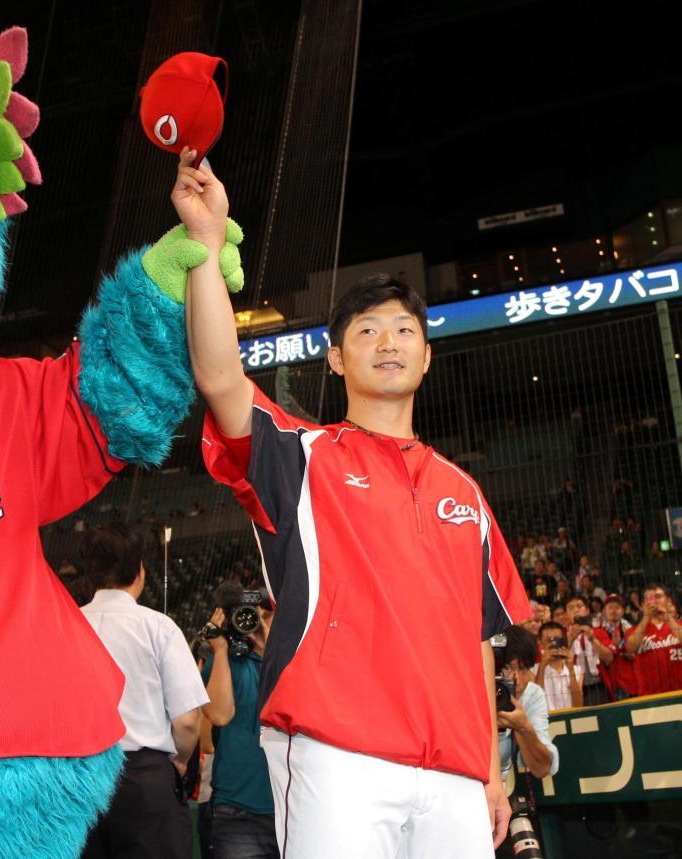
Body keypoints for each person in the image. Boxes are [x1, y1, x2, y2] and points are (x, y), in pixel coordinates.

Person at [172, 148, 531, 856]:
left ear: (427, 355)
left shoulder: (466, 493)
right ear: (335, 358)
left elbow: (481, 639)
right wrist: (206, 250)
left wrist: (491, 771)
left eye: (404, 330)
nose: (388, 342)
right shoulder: (298, 456)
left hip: (458, 773)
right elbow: (219, 376)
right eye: (365, 331)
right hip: (338, 755)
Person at [81, 523, 210, 858]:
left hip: (80, 781)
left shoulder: (65, 627)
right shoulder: (158, 627)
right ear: (140, 572)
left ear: (91, 574)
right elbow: (187, 722)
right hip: (145, 778)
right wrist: (179, 761)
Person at [201, 592, 278, 859]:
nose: (257, 623)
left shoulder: (290, 664)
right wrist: (220, 650)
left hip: (289, 807)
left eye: (266, 616)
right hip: (237, 809)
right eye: (254, 615)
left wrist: (272, 654)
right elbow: (219, 715)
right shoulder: (224, 663)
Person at [497, 626, 559, 781]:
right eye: (507, 668)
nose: (515, 679)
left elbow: (542, 768)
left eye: (524, 669)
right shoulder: (474, 691)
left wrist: (523, 727)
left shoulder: (533, 695)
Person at [625, 585, 682, 696]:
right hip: (649, 698)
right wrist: (646, 617)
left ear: (668, 600)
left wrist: (667, 618)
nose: (655, 601)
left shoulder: (678, 626)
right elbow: (630, 648)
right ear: (642, 606)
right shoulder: (634, 630)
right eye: (650, 598)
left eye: (658, 596)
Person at [564, 596, 610, 706]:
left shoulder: (599, 632)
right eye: (571, 608)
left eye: (579, 606)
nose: (575, 610)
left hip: (598, 686)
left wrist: (592, 639)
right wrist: (569, 642)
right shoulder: (563, 637)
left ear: (587, 610)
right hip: (573, 689)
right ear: (566, 615)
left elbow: (609, 658)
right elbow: (559, 665)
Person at [593, 595, 637, 701]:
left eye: (617, 607)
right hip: (612, 683)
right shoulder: (598, 632)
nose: (614, 611)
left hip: (633, 682)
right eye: (610, 607)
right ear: (604, 611)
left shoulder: (631, 630)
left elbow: (637, 654)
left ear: (623, 611)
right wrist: (617, 648)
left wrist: (626, 652)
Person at [536, 622, 583, 710]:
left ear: (563, 641)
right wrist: (542, 666)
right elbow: (535, 703)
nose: (554, 644)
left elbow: (579, 705)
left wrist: (570, 668)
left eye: (557, 639)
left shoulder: (577, 670)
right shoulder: (533, 670)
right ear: (540, 642)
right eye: (549, 640)